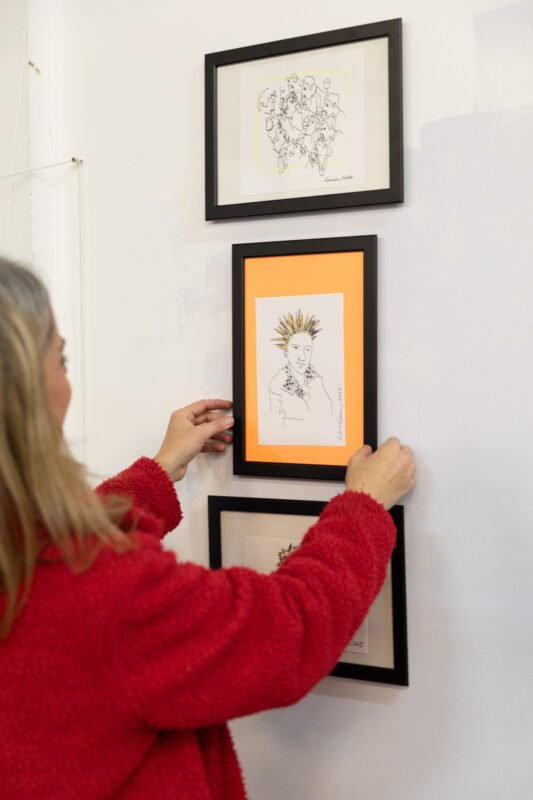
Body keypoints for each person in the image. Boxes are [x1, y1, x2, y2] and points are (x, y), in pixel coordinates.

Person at [0, 257, 415, 800]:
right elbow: (288, 631)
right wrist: (363, 507)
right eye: (62, 359)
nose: (67, 380)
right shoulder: (98, 594)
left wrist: (157, 473)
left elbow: (49, 547)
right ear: (27, 390)